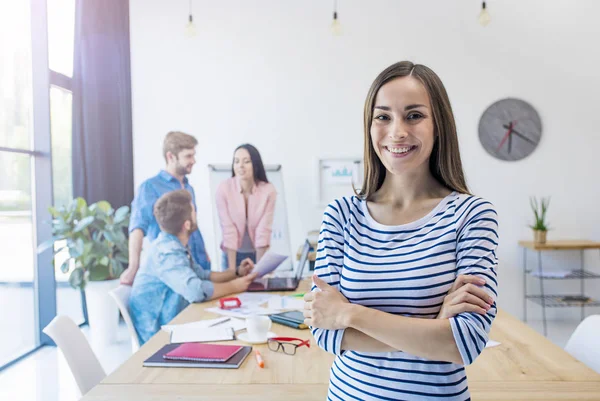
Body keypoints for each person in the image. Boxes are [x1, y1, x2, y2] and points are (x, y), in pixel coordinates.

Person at [303, 61, 498, 400]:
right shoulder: (341, 215)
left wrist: (349, 314)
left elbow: (465, 342)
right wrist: (433, 328)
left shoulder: (471, 215)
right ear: (369, 126)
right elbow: (324, 333)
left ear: (439, 126)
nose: (397, 131)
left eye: (414, 115)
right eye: (383, 117)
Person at [130, 190, 257, 344]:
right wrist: (235, 286)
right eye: (194, 210)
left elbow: (202, 275)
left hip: (175, 319)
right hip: (157, 333)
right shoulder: (166, 253)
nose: (196, 213)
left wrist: (236, 273)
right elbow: (195, 291)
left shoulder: (174, 244)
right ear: (187, 224)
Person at [121, 131, 215, 286]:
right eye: (188, 156)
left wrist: (204, 252)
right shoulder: (150, 187)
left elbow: (192, 225)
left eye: (193, 155)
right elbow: (138, 227)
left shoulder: (189, 187)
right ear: (171, 156)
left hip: (198, 265)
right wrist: (133, 266)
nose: (194, 161)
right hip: (174, 268)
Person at [215, 144, 277, 271]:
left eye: (246, 161)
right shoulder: (224, 189)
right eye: (236, 161)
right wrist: (233, 272)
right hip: (231, 254)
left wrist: (259, 271)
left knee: (259, 288)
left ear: (255, 164)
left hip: (258, 254)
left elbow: (263, 231)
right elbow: (228, 230)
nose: (240, 166)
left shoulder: (268, 191)